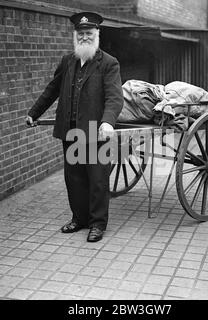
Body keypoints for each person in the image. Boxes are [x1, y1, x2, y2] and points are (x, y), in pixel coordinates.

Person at [26, 12, 123, 242]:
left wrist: (108, 122)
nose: (84, 38)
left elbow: (114, 98)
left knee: (97, 180)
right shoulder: (67, 61)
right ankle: (79, 219)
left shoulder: (109, 63)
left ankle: (97, 224)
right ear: (75, 36)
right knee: (75, 178)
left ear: (97, 35)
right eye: (81, 34)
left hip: (95, 132)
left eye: (89, 33)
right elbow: (52, 90)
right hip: (71, 131)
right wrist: (33, 113)